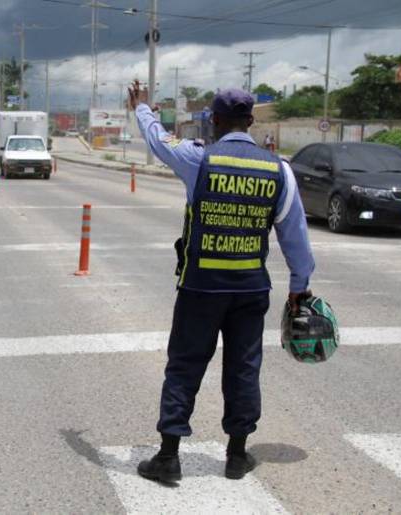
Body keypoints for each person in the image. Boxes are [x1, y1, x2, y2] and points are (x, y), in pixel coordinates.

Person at [127, 81, 315, 483]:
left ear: (214, 120)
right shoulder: (278, 170)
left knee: (184, 366)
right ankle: (236, 455)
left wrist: (142, 109)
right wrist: (299, 286)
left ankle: (168, 456)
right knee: (243, 367)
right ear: (251, 121)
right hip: (250, 288)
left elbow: (158, 141)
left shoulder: (198, 159)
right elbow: (295, 237)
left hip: (201, 286)